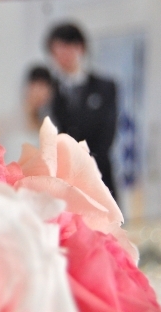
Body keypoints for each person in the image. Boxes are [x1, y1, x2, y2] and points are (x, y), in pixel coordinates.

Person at [46, 22, 119, 203]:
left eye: (68, 48)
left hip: (98, 176)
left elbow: (107, 134)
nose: (63, 57)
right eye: (58, 51)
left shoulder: (104, 88)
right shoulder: (49, 91)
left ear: (81, 48)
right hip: (63, 183)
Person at [0, 65, 53, 162]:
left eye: (46, 88)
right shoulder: (3, 123)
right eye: (38, 86)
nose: (42, 93)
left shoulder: (46, 126)